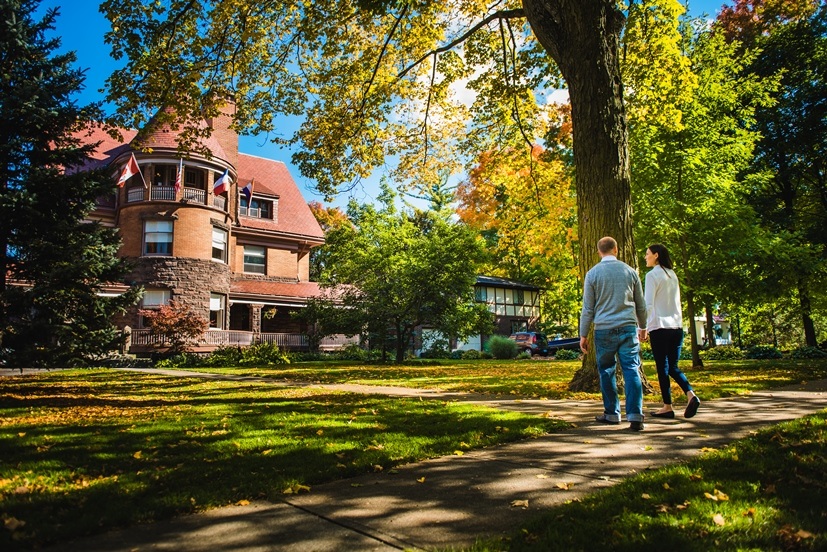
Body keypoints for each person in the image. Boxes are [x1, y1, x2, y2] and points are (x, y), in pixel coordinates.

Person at [580, 236, 648, 431]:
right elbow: (640, 304)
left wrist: (583, 334)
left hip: (604, 329)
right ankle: (635, 415)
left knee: (607, 370)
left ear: (599, 251)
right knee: (631, 369)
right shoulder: (630, 272)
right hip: (627, 327)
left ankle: (612, 413)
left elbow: (588, 309)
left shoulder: (592, 274)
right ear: (616, 249)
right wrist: (642, 327)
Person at [642, 243, 700, 419]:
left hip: (659, 327)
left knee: (662, 367)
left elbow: (649, 304)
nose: (645, 257)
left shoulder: (652, 276)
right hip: (676, 327)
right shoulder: (672, 275)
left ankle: (667, 406)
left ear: (656, 255)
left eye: (647, 254)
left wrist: (642, 327)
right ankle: (690, 394)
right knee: (673, 366)